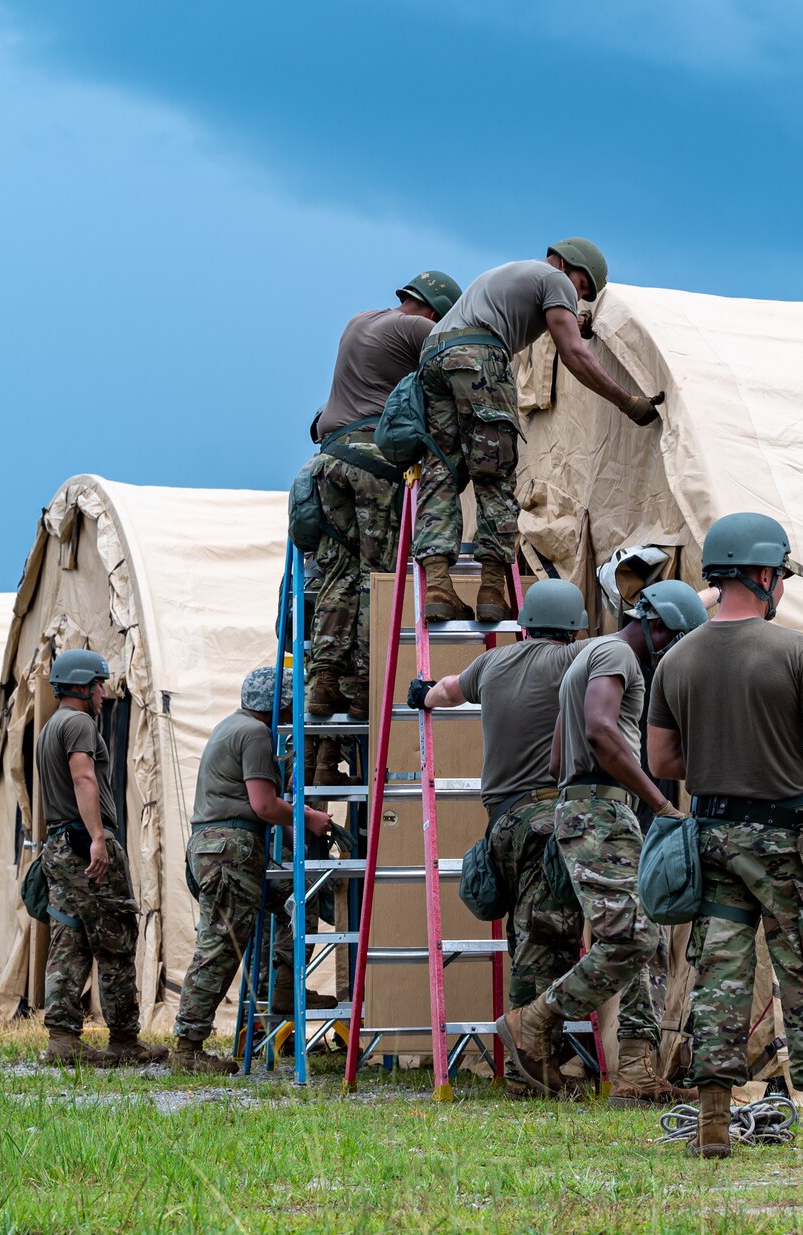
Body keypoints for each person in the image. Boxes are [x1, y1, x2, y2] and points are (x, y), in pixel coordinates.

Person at [645, 512, 803, 1160]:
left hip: (714, 838)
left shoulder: (678, 656)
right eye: (778, 573)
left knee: (719, 975)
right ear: (762, 573)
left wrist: (718, 750)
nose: (780, 584)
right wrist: (793, 745)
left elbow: (663, 760)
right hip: (788, 846)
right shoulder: (795, 651)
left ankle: (714, 1124)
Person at [493, 577, 695, 1101]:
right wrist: (660, 803)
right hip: (601, 812)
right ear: (656, 627)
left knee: (618, 932)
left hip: (579, 807)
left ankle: (632, 1069)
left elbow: (560, 758)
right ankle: (533, 1021)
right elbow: (603, 731)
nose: (671, 651)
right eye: (673, 639)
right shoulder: (617, 657)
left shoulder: (584, 660)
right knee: (634, 938)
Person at [413, 240, 663, 627]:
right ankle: (492, 589)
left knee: (441, 473)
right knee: (493, 473)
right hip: (478, 358)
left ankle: (438, 588)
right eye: (580, 287)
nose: (577, 297)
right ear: (565, 264)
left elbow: (549, 322)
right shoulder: (554, 279)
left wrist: (574, 321)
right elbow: (574, 354)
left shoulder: (511, 277)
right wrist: (629, 402)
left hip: (432, 360)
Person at [408, 578, 587, 1093]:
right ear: (573, 629)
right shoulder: (572, 662)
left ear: (525, 624)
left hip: (501, 825)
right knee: (547, 937)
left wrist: (421, 695)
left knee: (524, 934)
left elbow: (443, 693)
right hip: (546, 818)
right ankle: (535, 1070)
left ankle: (528, 1065)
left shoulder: (491, 664)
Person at [306, 271, 463, 784]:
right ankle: (368, 684)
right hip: (375, 462)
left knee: (339, 576)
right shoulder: (419, 331)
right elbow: (458, 356)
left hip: (329, 461)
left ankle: (324, 681)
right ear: (434, 310)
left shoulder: (359, 320)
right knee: (380, 578)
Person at [171, 667, 336, 1075]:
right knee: (219, 948)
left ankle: (281, 988)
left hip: (219, 848)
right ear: (279, 704)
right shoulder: (256, 734)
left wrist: (293, 823)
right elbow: (263, 804)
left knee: (297, 898)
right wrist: (309, 816)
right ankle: (187, 1048)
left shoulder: (232, 725)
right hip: (231, 851)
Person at [34, 649, 165, 1067]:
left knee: (69, 938)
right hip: (82, 843)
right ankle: (125, 1040)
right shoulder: (79, 724)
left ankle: (62, 1038)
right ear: (83, 686)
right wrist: (97, 838)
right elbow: (83, 777)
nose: (105, 694)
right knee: (115, 938)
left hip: (58, 844)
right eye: (100, 685)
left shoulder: (50, 726)